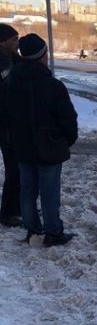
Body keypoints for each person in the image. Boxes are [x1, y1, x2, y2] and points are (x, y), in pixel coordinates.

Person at [3, 33, 78, 246]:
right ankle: (53, 232)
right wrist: (64, 141)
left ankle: (32, 230)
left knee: (26, 190)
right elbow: (68, 120)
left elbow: (6, 116)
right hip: (49, 147)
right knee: (49, 191)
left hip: (22, 146)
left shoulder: (11, 83)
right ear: (42, 56)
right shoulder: (53, 86)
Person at [0, 23, 22, 227]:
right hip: (7, 126)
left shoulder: (14, 60)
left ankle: (17, 207)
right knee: (14, 169)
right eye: (14, 39)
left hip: (16, 124)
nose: (17, 42)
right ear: (2, 42)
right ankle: (7, 212)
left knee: (20, 167)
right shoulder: (2, 64)